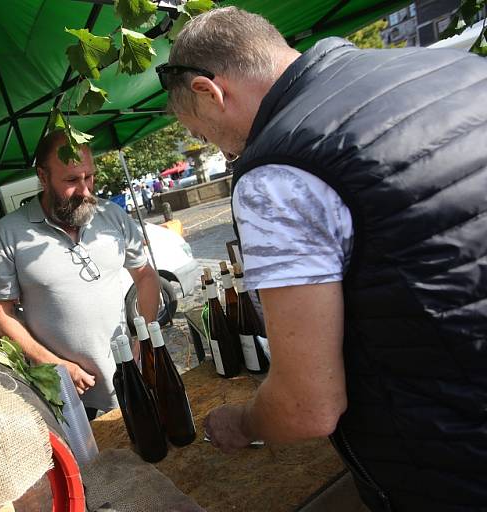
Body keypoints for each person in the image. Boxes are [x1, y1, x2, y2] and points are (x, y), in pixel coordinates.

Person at [160, 7, 487, 511]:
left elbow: (308, 405)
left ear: (210, 92)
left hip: (454, 461)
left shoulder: (279, 170)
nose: (220, 150)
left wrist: (243, 423)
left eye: (203, 134)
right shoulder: (453, 69)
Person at [0, 130, 161, 419]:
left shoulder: (112, 216)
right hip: (68, 395)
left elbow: (145, 276)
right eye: (71, 180)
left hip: (131, 376)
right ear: (43, 176)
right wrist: (54, 365)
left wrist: (144, 337)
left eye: (89, 177)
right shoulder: (9, 232)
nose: (85, 191)